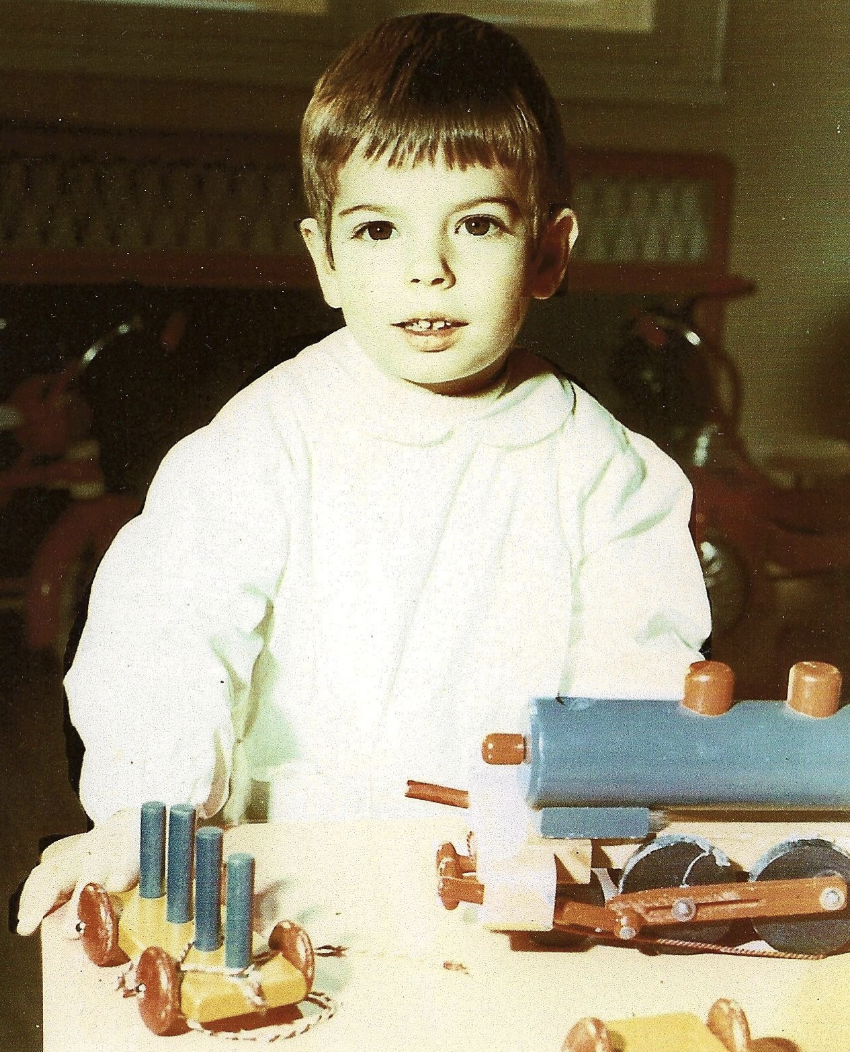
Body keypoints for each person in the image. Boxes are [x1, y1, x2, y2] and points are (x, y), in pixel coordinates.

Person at [16, 12, 710, 937]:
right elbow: (166, 635)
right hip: (285, 875)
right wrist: (152, 816)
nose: (429, 269)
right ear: (327, 259)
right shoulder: (263, 442)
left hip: (512, 877)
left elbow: (638, 667)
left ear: (548, 252)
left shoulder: (609, 474)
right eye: (380, 229)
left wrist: (585, 823)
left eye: (478, 224)